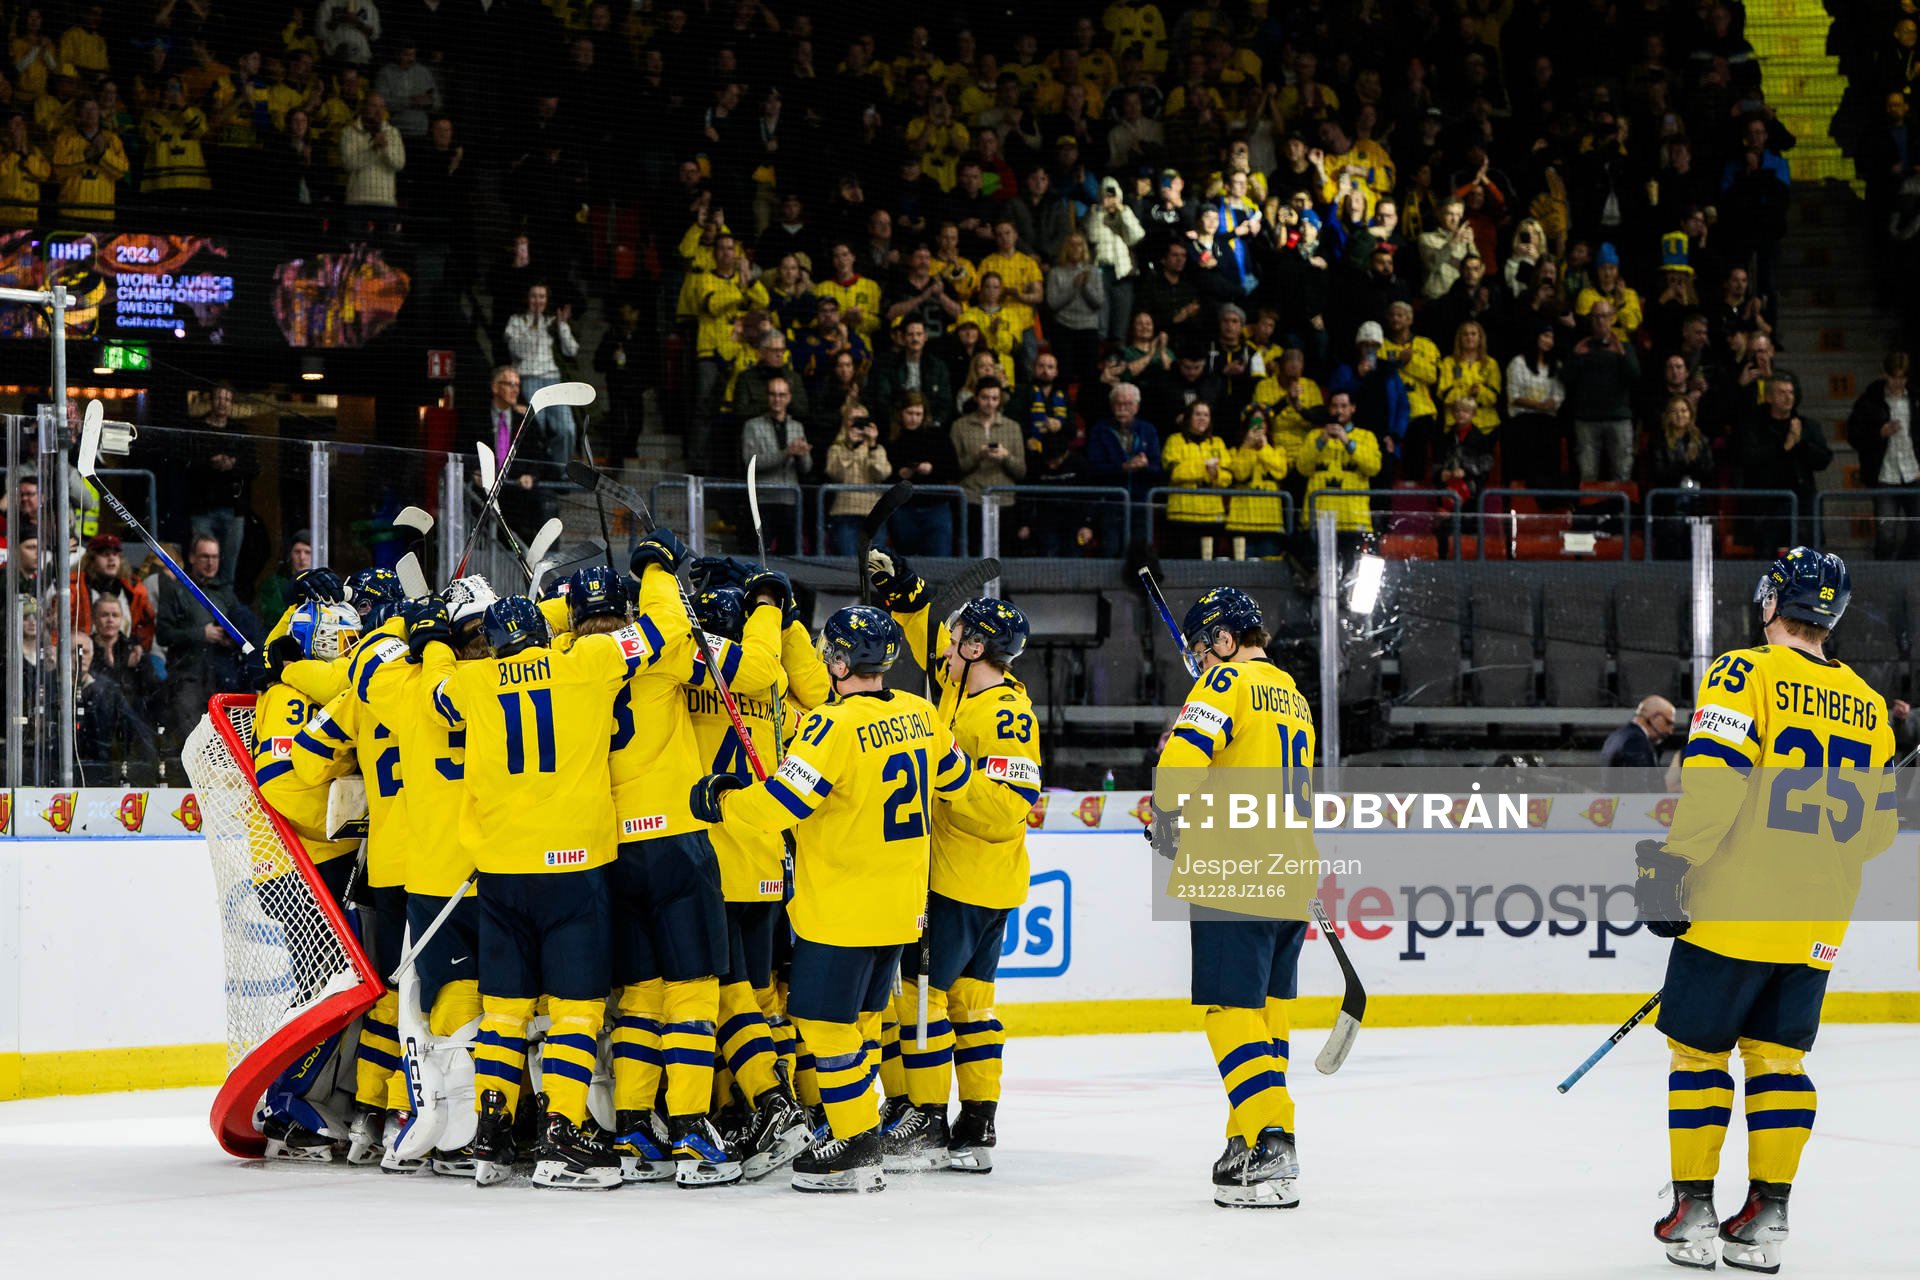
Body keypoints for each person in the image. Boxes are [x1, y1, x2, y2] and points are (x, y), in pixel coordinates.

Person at [1638, 549, 1896, 1272]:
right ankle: (1767, 1217)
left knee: (1698, 1054)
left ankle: (1693, 1212)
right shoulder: (1871, 705)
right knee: (1780, 1061)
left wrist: (1675, 863)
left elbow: (1715, 780)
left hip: (1734, 905)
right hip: (1819, 920)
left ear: (1772, 600)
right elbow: (1876, 832)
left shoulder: (1742, 671)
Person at [690, 604, 977, 1192]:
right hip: (901, 908)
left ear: (840, 661)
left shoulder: (830, 726)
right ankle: (859, 1126)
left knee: (823, 1025)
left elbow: (781, 809)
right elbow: (955, 781)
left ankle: (856, 1145)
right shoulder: (922, 714)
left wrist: (725, 801)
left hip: (842, 907)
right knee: (863, 1021)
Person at [405, 587, 654, 1190]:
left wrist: (436, 636)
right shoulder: (588, 661)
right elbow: (656, 632)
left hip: (502, 875)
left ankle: (490, 1133)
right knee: (575, 1009)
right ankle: (565, 1133)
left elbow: (438, 686)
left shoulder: (473, 681)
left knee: (505, 1011)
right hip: (572, 870)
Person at [864, 561, 1041, 1173]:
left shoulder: (1003, 716)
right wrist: (906, 593)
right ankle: (977, 1123)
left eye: (958, 633)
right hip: (984, 882)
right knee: (968, 1004)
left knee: (922, 999)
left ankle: (928, 1120)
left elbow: (1008, 808)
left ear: (976, 648)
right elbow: (925, 639)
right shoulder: (963, 686)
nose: (947, 642)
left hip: (961, 881)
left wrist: (951, 772)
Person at [1148, 587, 1315, 1208]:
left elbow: (1182, 763)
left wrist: (1166, 818)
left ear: (1223, 639)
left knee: (1227, 1009)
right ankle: (1249, 1143)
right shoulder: (1292, 695)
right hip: (1290, 865)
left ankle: (1272, 1138)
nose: (1199, 662)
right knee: (1266, 1012)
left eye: (1202, 649)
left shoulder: (1223, 686)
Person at [155, 534, 260, 743]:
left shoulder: (225, 593)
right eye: (204, 556)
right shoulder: (176, 589)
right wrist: (200, 634)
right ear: (192, 557)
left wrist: (230, 641)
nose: (211, 563)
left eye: (215, 557)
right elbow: (163, 634)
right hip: (187, 677)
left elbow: (244, 630)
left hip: (222, 677)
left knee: (226, 743)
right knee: (194, 742)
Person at [1737, 375, 1831, 554]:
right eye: (1782, 393)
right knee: (1767, 556)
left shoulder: (1806, 426)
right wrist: (1785, 446)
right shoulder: (1755, 427)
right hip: (1767, 502)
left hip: (1802, 500)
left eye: (1791, 393)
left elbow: (1823, 460)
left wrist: (1800, 442)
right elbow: (1751, 459)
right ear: (1769, 397)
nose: (1788, 397)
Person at [1843, 351, 1920, 559]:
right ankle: (1883, 577)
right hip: (1885, 475)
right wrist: (1879, 433)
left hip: (1913, 474)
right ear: (1885, 375)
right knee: (1886, 534)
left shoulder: (1914, 399)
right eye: (1894, 377)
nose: (1898, 382)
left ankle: (1904, 571)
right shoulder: (1870, 401)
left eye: (1903, 378)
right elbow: (1854, 434)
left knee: (1917, 530)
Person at [502, 283, 580, 469]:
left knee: (567, 429)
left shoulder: (552, 322)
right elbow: (518, 351)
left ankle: (560, 472)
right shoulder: (516, 321)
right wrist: (533, 326)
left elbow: (572, 350)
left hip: (552, 381)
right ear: (527, 299)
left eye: (542, 297)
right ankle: (538, 473)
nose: (538, 301)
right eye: (534, 296)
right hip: (528, 378)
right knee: (537, 429)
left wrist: (562, 326)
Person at [1561, 300, 1640, 482]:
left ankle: (1621, 511)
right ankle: (1591, 510)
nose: (1600, 321)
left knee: (1622, 474)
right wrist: (1575, 357)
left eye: (1604, 316)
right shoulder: (1582, 347)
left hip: (1618, 418)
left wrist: (1621, 355)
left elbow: (1635, 376)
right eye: (1596, 316)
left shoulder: (1624, 347)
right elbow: (1566, 377)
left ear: (1612, 319)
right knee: (1588, 474)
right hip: (1587, 419)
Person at [950, 377, 1026, 548]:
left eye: (994, 398)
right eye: (985, 398)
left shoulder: (1013, 427)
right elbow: (954, 469)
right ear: (976, 398)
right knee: (973, 555)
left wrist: (1006, 456)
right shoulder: (959, 426)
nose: (990, 403)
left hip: (1004, 500)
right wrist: (978, 456)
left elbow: (1021, 471)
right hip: (971, 499)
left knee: (1004, 557)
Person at [739, 375, 809, 553]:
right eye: (773, 394)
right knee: (760, 554)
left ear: (789, 397)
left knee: (790, 555)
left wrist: (801, 455)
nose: (777, 399)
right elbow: (751, 462)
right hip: (763, 500)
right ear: (767, 396)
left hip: (790, 500)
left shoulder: (797, 427)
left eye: (781, 394)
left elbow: (807, 467)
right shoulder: (752, 426)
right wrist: (786, 453)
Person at [886, 393, 962, 556]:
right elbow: (883, 475)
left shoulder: (938, 436)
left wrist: (932, 469)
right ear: (901, 413)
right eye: (910, 413)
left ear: (924, 415)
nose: (914, 418)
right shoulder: (892, 439)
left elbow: (954, 469)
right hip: (903, 509)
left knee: (939, 561)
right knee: (906, 562)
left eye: (918, 414)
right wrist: (900, 474)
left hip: (936, 507)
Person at [1161, 401, 1229, 559]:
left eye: (1206, 415)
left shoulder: (1218, 443)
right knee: (1184, 569)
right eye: (1197, 414)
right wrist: (1205, 468)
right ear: (1188, 418)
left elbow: (1228, 476)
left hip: (1212, 516)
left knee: (1210, 571)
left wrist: (1216, 474)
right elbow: (1175, 473)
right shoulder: (1174, 441)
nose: (1202, 418)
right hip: (1183, 516)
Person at [825, 408, 892, 556]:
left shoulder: (878, 449)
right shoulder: (836, 449)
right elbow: (835, 474)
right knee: (846, 564)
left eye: (861, 420)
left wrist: (872, 444)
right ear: (845, 423)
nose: (857, 424)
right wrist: (850, 447)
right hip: (844, 515)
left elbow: (882, 474)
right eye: (853, 420)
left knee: (875, 566)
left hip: (873, 515)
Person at [1598, 694, 1676, 780]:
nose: (1670, 731)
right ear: (1655, 717)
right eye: (1668, 723)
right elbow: (1639, 788)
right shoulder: (1636, 741)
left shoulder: (1615, 736)